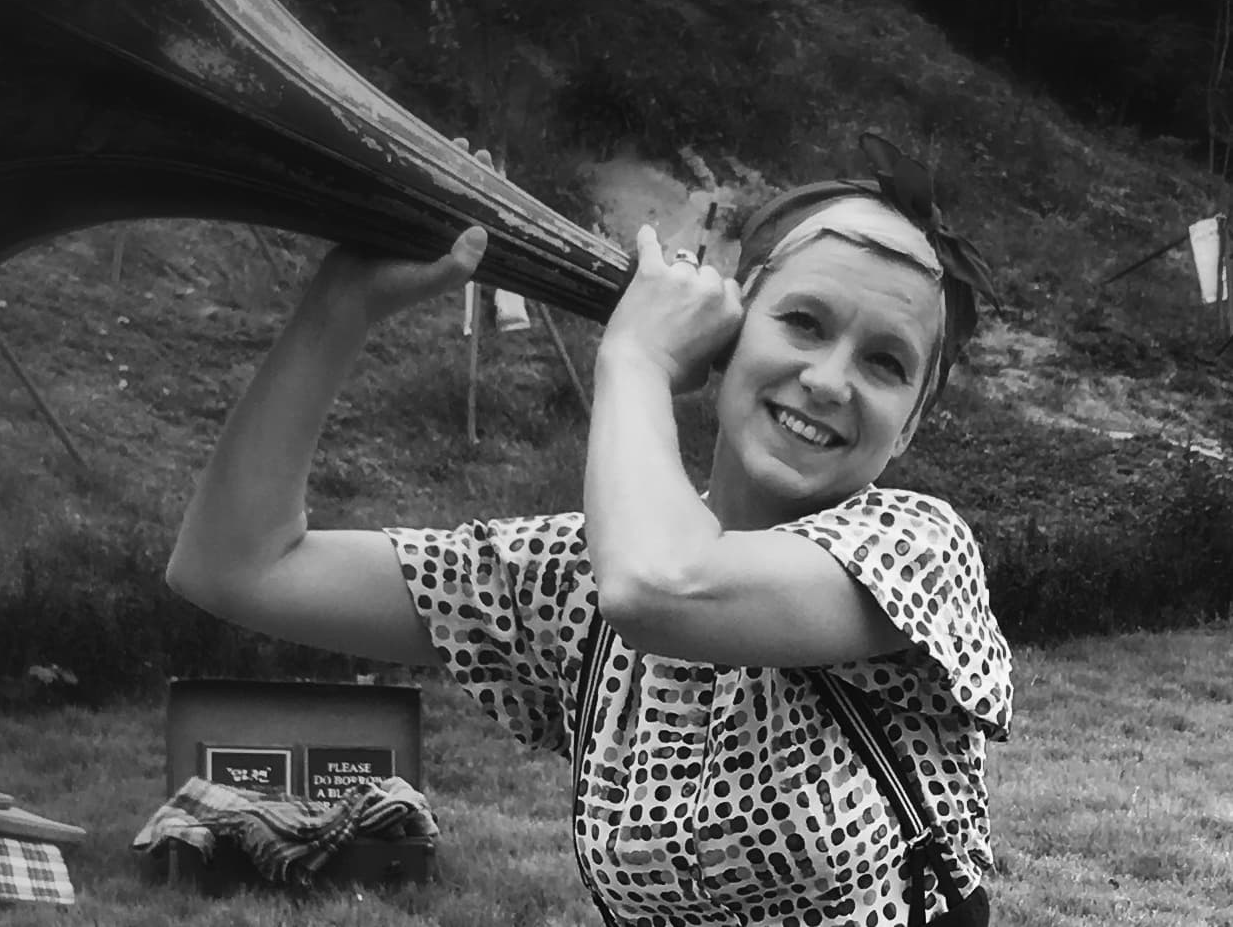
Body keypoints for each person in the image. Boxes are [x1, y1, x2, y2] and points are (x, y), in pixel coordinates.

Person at [167, 135, 1012, 927]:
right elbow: (236, 566)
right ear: (726, 327)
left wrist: (636, 359)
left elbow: (659, 585)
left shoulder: (915, 550)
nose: (828, 380)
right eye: (803, 321)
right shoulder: (573, 574)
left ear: (907, 427)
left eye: (885, 362)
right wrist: (338, 306)